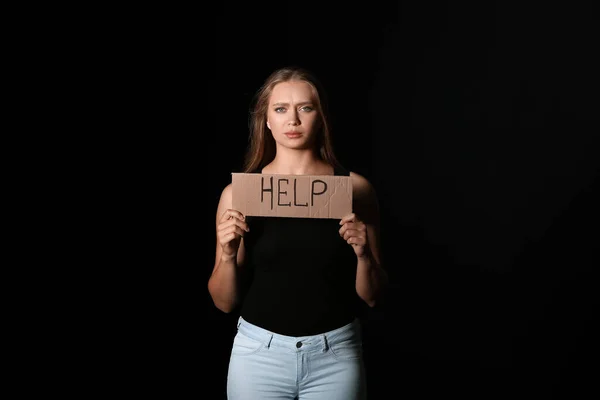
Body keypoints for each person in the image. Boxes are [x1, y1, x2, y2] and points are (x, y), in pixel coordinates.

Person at [208, 65, 388, 400]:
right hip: (258, 355)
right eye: (280, 109)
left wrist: (363, 255)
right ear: (266, 120)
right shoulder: (239, 194)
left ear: (321, 117)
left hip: (335, 353)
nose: (293, 120)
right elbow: (223, 302)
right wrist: (228, 254)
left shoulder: (355, 190)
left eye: (305, 108)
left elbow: (373, 295)